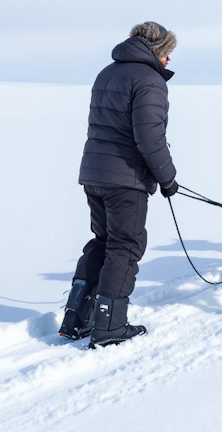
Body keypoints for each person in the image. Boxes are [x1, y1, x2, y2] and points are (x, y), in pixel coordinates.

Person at [59, 22, 179, 348]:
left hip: (94, 173)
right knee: (125, 246)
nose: (169, 61)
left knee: (104, 241)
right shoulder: (149, 80)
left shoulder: (107, 72)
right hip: (125, 179)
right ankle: (109, 326)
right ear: (157, 51)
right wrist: (167, 178)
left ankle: (75, 317)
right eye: (168, 53)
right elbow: (150, 138)